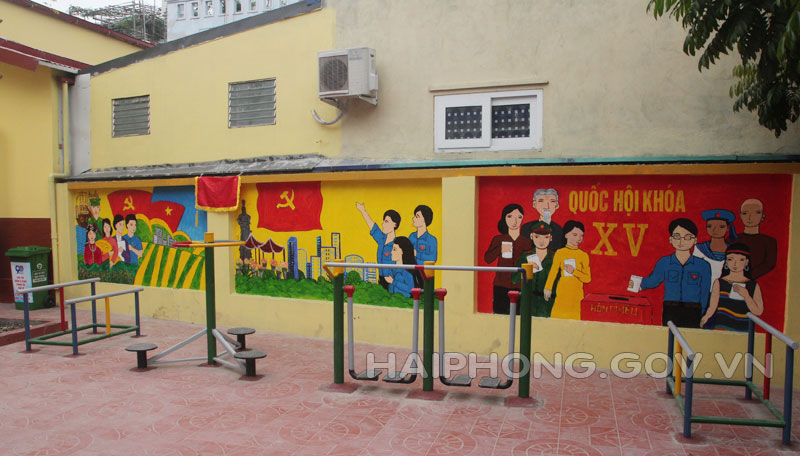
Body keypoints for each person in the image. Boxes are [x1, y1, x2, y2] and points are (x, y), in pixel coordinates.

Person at [635, 218, 711, 328]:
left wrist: (702, 313)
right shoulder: (664, 262)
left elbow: (705, 292)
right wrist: (629, 282)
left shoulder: (703, 265)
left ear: (695, 240)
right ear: (670, 239)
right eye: (677, 236)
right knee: (669, 337)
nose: (681, 241)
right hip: (671, 309)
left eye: (687, 237)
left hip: (693, 310)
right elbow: (652, 281)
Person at [700, 244, 764, 332]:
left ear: (746, 262)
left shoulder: (753, 285)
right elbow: (713, 306)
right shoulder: (719, 282)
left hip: (743, 329)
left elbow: (758, 311)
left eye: (741, 260)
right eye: (730, 259)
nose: (735, 264)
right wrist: (705, 317)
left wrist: (746, 296)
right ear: (726, 261)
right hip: (722, 327)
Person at [484, 204, 532, 314]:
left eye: (519, 217)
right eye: (510, 216)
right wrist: (500, 249)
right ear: (504, 218)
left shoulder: (526, 242)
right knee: (499, 314)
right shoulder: (498, 239)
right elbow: (487, 259)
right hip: (500, 285)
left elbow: (533, 263)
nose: (514, 221)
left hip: (520, 285)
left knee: (519, 315)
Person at [544, 220, 591, 320]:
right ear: (566, 235)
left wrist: (574, 272)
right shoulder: (560, 253)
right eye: (575, 235)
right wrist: (548, 288)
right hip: (562, 292)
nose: (579, 238)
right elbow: (553, 272)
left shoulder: (583, 255)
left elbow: (587, 278)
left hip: (576, 295)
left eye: (581, 236)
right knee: (557, 320)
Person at [513, 221, 556, 317]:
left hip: (548, 301)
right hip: (529, 300)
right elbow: (514, 279)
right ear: (531, 236)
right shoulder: (526, 256)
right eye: (537, 237)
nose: (541, 241)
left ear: (551, 238)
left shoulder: (555, 257)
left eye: (546, 237)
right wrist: (526, 270)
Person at [356, 202, 401, 290]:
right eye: (384, 221)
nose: (383, 224)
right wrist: (363, 211)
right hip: (381, 279)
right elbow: (373, 227)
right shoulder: (382, 239)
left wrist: (394, 281)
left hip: (392, 281)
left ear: (395, 224)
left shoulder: (397, 244)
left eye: (387, 221)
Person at [692, 209, 737, 289]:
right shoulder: (699, 248)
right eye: (710, 226)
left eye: (721, 227)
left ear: (728, 228)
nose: (715, 230)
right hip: (703, 290)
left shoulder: (734, 251)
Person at [735, 198, 777, 279]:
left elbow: (769, 264)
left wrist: (747, 277)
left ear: (762, 217)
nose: (750, 217)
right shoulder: (733, 240)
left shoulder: (769, 242)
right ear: (740, 216)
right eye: (745, 213)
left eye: (756, 213)